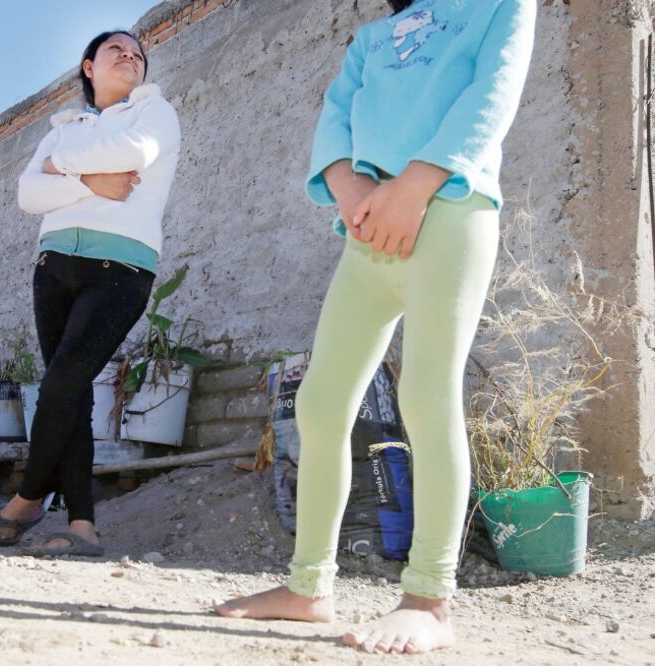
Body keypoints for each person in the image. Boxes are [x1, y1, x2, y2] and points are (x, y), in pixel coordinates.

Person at [216, 0, 536, 655]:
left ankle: (428, 600)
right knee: (321, 401)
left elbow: (491, 92)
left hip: (448, 206)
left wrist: (412, 189)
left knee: (425, 393)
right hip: (367, 229)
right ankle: (308, 588)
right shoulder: (371, 36)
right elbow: (336, 115)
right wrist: (349, 190)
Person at [0, 29, 181, 557]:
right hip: (54, 265)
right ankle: (82, 526)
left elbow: (135, 151)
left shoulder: (154, 113)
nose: (130, 58)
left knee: (64, 380)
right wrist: (92, 183)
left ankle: (26, 498)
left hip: (121, 266)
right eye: (117, 51)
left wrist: (61, 167)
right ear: (89, 66)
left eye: (138, 54)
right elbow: (27, 193)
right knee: (73, 392)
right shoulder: (66, 126)